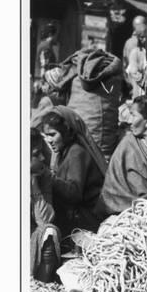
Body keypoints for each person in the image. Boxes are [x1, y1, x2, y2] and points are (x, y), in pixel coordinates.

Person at [40, 106, 107, 248]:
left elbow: (74, 193)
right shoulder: (64, 152)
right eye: (46, 135)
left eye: (52, 134)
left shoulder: (76, 153)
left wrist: (47, 177)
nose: (49, 140)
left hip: (87, 220)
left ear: (65, 132)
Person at [30, 128, 61, 283]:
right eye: (36, 154)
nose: (42, 158)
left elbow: (45, 219)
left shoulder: (44, 176)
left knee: (49, 232)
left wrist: (34, 185)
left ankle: (42, 285)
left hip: (31, 237)